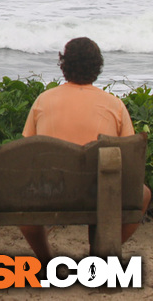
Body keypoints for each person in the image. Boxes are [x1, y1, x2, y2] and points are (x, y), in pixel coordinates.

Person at [19, 37, 151, 262]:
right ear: (97, 67)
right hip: (99, 194)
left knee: (22, 200)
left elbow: (25, 153)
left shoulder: (43, 100)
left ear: (64, 66)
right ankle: (100, 252)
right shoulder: (114, 105)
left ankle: (46, 260)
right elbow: (130, 160)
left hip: (50, 193)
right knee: (144, 193)